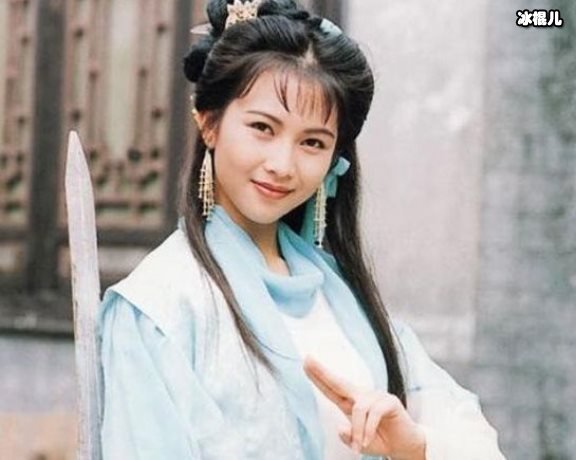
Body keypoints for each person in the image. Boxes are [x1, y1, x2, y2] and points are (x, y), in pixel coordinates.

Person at [97, 0, 506, 459]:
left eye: (312, 142)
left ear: (334, 160)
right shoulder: (160, 307)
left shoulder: (342, 295)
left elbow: (468, 432)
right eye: (262, 127)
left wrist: (414, 446)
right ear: (209, 123)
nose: (282, 164)